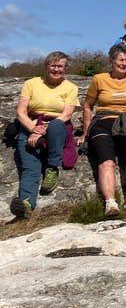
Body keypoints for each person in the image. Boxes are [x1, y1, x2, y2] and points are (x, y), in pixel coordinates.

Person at [78, 44, 126, 216]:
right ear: (111, 61)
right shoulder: (99, 79)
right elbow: (88, 105)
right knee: (107, 160)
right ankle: (111, 202)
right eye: (120, 60)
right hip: (103, 121)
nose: (124, 64)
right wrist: (86, 133)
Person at [10, 51, 79, 219]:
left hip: (57, 127)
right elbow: (21, 111)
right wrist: (33, 129)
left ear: (65, 68)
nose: (56, 69)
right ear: (46, 66)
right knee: (30, 167)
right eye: (53, 65)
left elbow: (66, 115)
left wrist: (44, 128)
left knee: (56, 124)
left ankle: (52, 168)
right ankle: (26, 204)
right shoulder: (31, 84)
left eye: (60, 66)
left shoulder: (71, 87)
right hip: (31, 124)